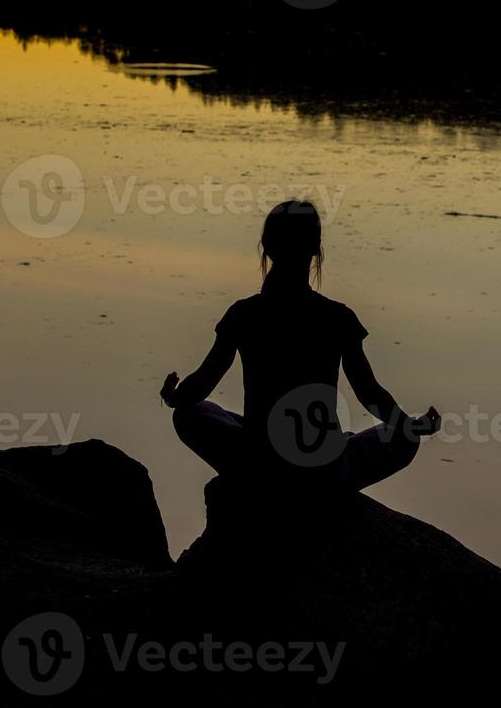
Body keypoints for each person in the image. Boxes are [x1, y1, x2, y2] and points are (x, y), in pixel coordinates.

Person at [161, 199, 440, 492]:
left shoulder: (243, 314)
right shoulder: (338, 317)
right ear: (315, 250)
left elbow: (203, 382)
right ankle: (339, 445)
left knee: (189, 415)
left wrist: (174, 398)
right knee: (404, 438)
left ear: (266, 249)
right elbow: (368, 392)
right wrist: (410, 426)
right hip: (324, 471)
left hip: (259, 463)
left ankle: (269, 463)